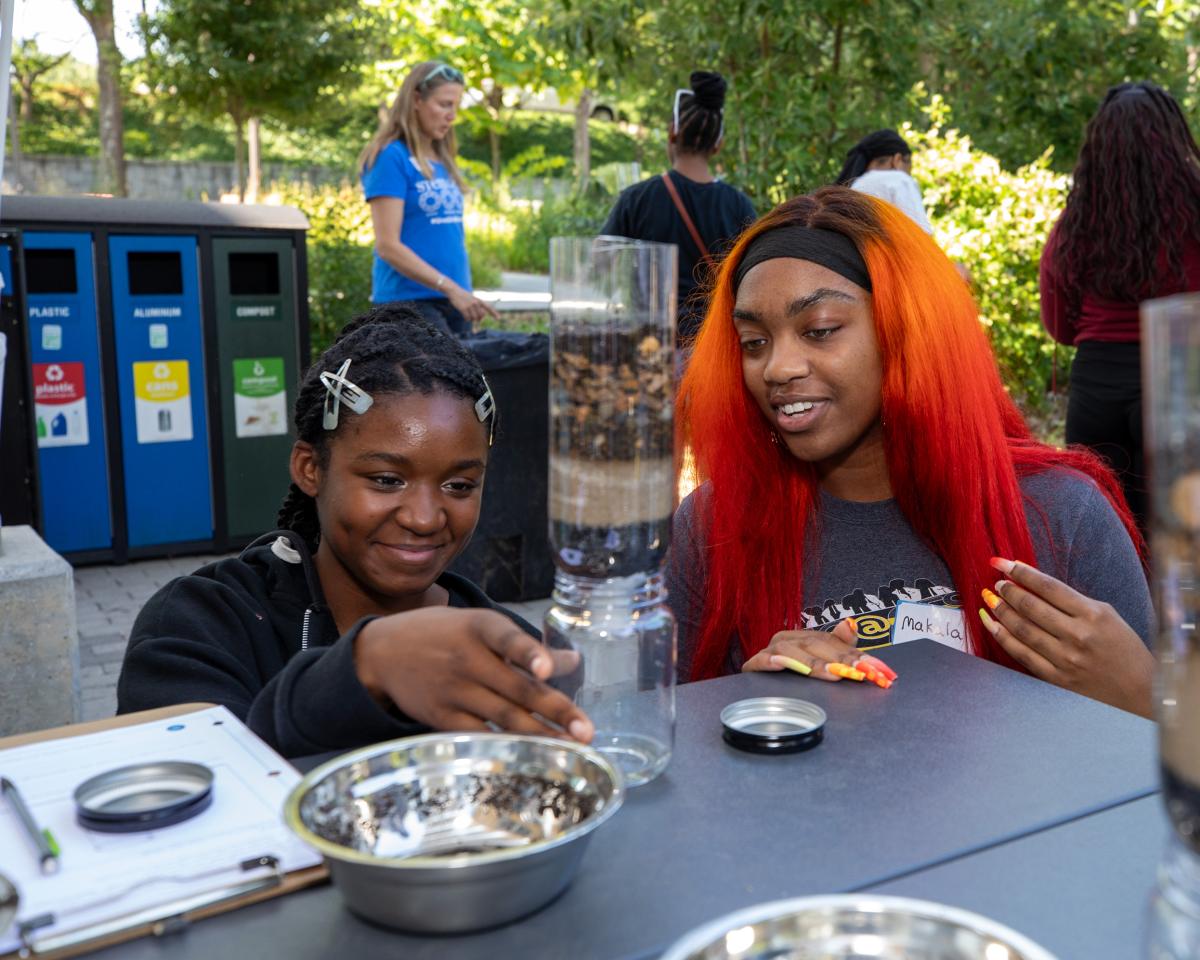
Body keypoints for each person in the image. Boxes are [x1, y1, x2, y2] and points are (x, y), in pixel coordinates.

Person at [668, 186, 1156, 718]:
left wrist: (1144, 696)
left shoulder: (1064, 516)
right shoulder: (712, 529)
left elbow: (1165, 773)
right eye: (754, 342)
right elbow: (668, 753)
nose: (777, 368)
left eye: (820, 330)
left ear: (906, 332)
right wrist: (750, 708)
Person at [118, 305, 592, 757]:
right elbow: (187, 788)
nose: (425, 518)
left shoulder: (507, 655)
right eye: (387, 480)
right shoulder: (201, 622)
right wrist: (363, 668)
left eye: (459, 485)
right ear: (310, 468)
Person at [1040, 81, 1200, 532]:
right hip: (1179, 380)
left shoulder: (1076, 222)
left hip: (1097, 385)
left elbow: (1059, 323)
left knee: (1104, 531)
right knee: (1180, 536)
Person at [601, 71, 757, 343]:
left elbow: (600, 262)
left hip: (651, 343)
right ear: (718, 144)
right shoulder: (738, 205)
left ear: (673, 132)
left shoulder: (637, 198)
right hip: (715, 345)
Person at [359, 61, 498, 337]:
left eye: (456, 106)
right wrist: (450, 287)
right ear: (416, 100)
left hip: (452, 300)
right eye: (445, 104)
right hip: (408, 304)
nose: (452, 116)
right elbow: (388, 246)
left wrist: (459, 292)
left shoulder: (442, 160)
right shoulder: (391, 157)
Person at [837, 129, 934, 235]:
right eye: (908, 170)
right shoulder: (899, 179)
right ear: (897, 160)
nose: (908, 175)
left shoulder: (854, 186)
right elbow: (921, 233)